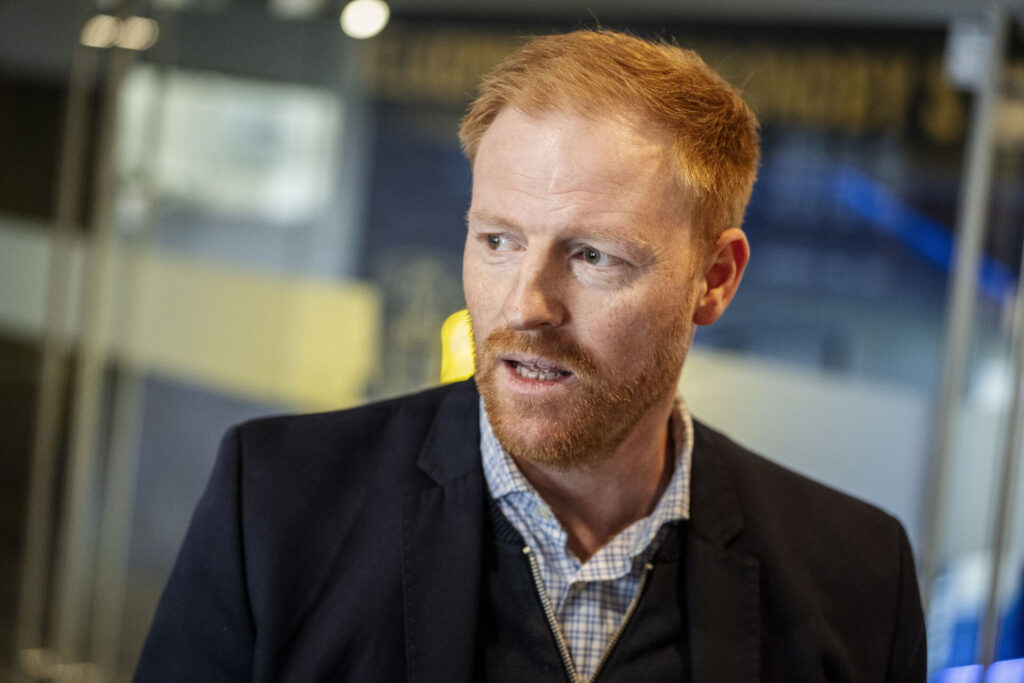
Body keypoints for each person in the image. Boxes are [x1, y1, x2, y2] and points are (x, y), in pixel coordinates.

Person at [136, 29, 926, 682]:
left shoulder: (855, 577)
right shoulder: (275, 507)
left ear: (714, 278)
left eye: (593, 256)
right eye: (498, 241)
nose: (524, 306)